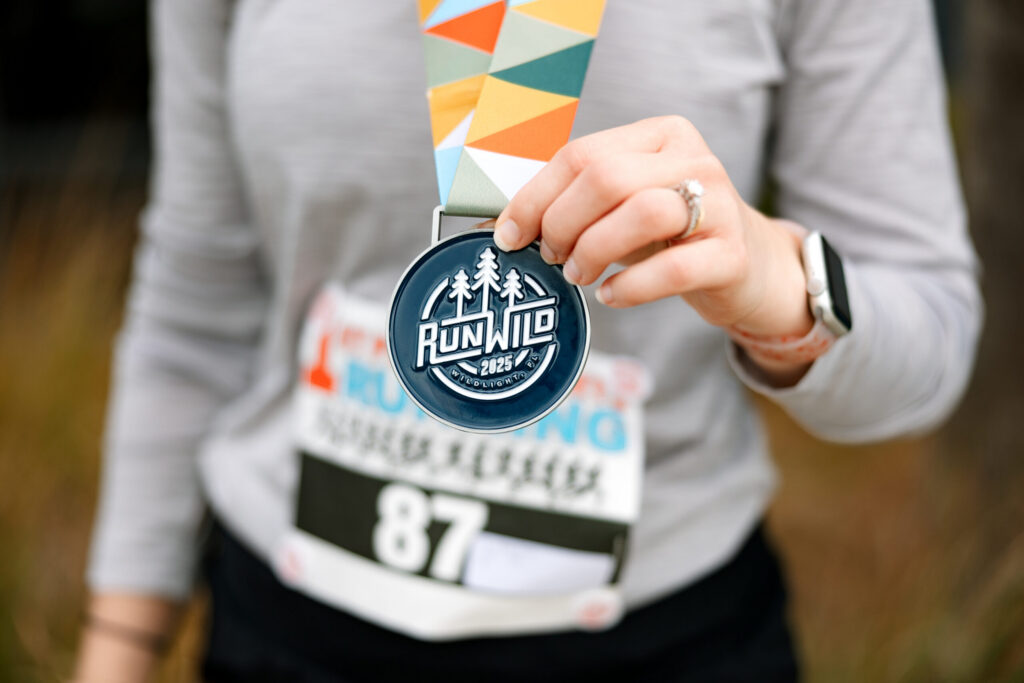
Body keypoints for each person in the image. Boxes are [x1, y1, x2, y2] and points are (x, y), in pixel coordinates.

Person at [74, 0, 981, 681]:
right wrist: (117, 646)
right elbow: (195, 305)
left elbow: (929, 344)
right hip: (288, 624)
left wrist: (776, 283)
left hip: (665, 637)